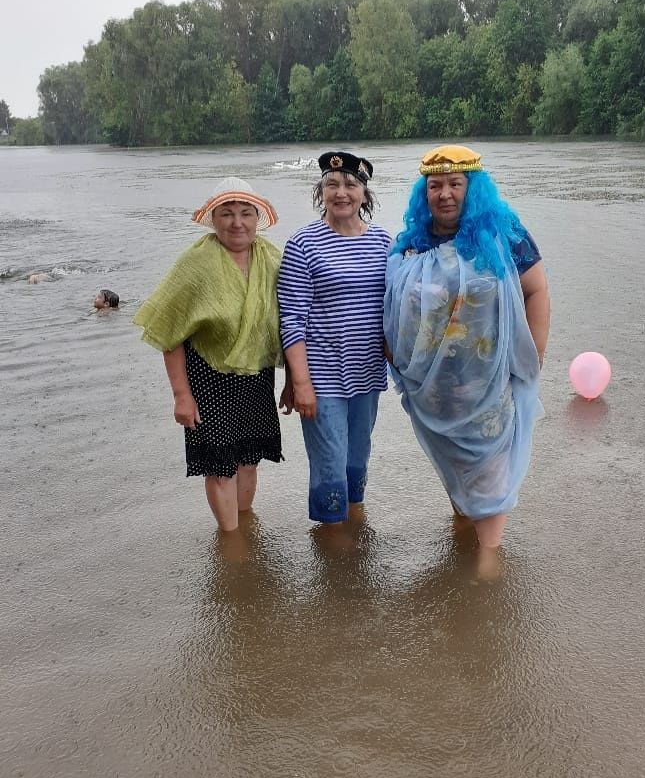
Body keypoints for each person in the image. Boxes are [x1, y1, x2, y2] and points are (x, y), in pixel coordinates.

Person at [384, 145, 550, 550]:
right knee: (456, 467)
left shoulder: (504, 235)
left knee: (489, 466)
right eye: (435, 185)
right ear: (424, 194)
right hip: (434, 393)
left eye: (455, 184)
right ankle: (465, 529)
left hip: (487, 387)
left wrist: (534, 356)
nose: (445, 194)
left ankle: (488, 567)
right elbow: (392, 306)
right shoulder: (412, 243)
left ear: (472, 188)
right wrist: (395, 356)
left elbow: (536, 289)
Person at [133, 177, 288, 533]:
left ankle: (245, 532)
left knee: (249, 459)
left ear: (257, 217)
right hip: (207, 380)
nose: (237, 223)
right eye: (227, 214)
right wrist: (181, 396)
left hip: (257, 377)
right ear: (213, 219)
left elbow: (295, 319)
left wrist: (296, 379)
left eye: (245, 213)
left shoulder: (272, 259)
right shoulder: (196, 264)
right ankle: (230, 541)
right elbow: (169, 333)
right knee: (220, 467)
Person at [277, 151, 391, 526]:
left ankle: (354, 538)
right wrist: (300, 382)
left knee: (357, 461)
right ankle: (334, 552)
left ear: (364, 193)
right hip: (322, 378)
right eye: (332, 184)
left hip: (367, 376)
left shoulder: (383, 244)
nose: (341, 192)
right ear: (321, 191)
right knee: (329, 467)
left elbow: (396, 310)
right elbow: (292, 319)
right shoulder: (303, 245)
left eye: (350, 184)